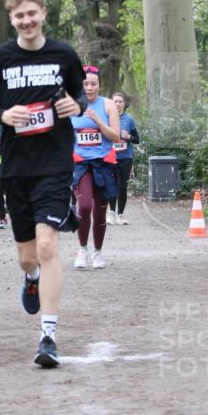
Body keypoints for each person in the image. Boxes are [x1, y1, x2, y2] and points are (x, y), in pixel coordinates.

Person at [0, 0, 87, 369]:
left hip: (54, 162)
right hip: (16, 166)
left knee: (48, 244)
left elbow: (80, 95)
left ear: (43, 14)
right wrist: (2, 115)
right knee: (27, 256)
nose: (26, 21)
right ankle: (31, 276)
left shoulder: (63, 54)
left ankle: (48, 336)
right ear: (12, 19)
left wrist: (76, 105)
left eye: (31, 13)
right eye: (19, 16)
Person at [71, 65, 121, 269]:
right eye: (85, 84)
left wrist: (98, 121)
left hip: (104, 164)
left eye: (93, 84)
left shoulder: (108, 105)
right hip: (80, 163)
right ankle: (82, 249)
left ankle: (98, 252)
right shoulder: (71, 105)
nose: (89, 88)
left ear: (100, 86)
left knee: (100, 212)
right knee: (84, 206)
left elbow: (116, 136)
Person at [107, 91, 140, 225]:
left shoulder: (129, 119)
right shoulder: (106, 118)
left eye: (120, 101)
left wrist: (129, 137)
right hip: (110, 157)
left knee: (122, 187)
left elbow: (137, 139)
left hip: (126, 157)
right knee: (111, 185)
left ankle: (120, 215)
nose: (118, 104)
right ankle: (111, 214)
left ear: (124, 104)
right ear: (111, 103)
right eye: (115, 101)